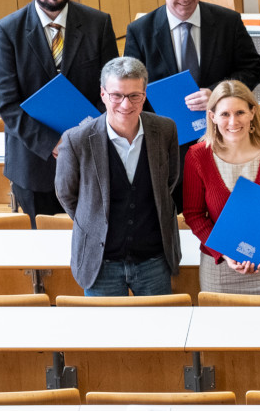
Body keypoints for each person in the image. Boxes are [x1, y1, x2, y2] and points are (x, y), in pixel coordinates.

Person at [124, 0, 260, 210]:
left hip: (223, 141)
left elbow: (253, 68)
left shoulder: (227, 22)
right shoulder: (140, 32)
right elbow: (131, 89)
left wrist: (219, 93)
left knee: (225, 212)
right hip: (167, 148)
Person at [0, 0, 118, 227]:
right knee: (45, 257)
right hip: (34, 166)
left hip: (90, 157)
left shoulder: (99, 24)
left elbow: (112, 92)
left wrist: (80, 139)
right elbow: (8, 105)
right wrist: (54, 143)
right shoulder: (7, 32)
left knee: (95, 245)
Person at [55, 57, 181, 296]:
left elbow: (170, 181)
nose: (126, 104)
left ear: (144, 95)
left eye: (134, 95)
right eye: (117, 95)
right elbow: (66, 194)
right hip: (101, 263)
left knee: (159, 332)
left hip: (154, 260)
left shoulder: (166, 130)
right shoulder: (76, 139)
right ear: (103, 94)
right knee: (105, 334)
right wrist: (93, 217)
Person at [183, 81, 260, 296]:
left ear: (253, 112)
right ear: (212, 117)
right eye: (225, 114)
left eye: (240, 112)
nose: (233, 121)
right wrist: (225, 252)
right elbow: (194, 215)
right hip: (218, 266)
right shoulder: (197, 156)